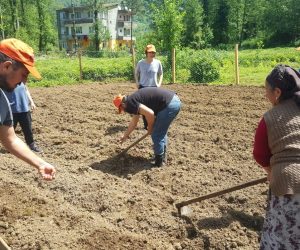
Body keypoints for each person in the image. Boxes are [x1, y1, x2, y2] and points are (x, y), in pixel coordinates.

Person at [253, 64, 300, 249]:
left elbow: (260, 154)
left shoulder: (270, 118)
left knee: (283, 237)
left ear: (277, 92)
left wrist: (270, 170)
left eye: (267, 90)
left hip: (289, 184)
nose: (265, 95)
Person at [0, 38, 55, 180]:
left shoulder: (2, 102)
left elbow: (10, 139)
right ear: (7, 66)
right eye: (24, 75)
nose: (23, 83)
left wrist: (40, 163)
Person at [113, 87, 181, 167]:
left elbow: (150, 113)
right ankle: (162, 157)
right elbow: (134, 122)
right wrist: (125, 135)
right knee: (160, 131)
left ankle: (159, 163)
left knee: (156, 133)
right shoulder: (132, 100)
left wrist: (150, 127)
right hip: (173, 100)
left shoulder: (131, 104)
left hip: (169, 104)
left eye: (121, 109)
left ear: (123, 105)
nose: (123, 111)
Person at [4, 82, 42, 152]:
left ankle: (31, 144)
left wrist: (31, 102)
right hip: (11, 110)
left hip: (24, 109)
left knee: (28, 129)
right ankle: (9, 146)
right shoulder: (5, 81)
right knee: (9, 130)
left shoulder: (21, 81)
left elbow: (26, 90)